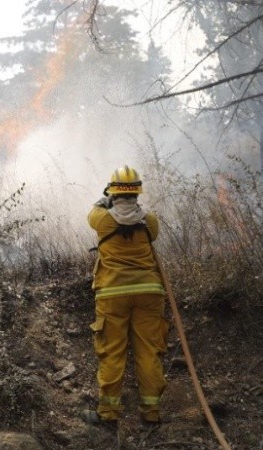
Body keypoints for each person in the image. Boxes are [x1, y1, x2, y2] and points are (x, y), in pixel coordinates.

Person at [84, 165, 169, 426]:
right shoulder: (150, 221)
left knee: (112, 352)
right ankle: (151, 413)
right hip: (149, 293)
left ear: (113, 192)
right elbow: (151, 232)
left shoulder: (102, 219)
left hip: (113, 293)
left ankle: (108, 414)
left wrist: (105, 199)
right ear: (137, 193)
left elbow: (93, 211)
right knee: (148, 352)